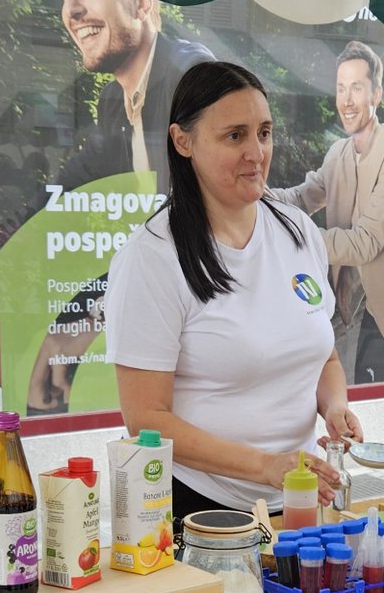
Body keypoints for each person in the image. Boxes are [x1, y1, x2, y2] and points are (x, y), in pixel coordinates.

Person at [105, 61, 364, 517]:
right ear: (183, 141)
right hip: (203, 507)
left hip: (300, 496)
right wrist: (264, 466)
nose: (256, 152)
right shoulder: (153, 257)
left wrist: (336, 406)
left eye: (263, 133)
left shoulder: (299, 232)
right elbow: (146, 420)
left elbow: (326, 356)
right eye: (234, 136)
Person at [25, 0, 214, 415]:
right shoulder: (115, 99)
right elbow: (78, 177)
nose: (71, 9)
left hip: (202, 316)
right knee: (43, 381)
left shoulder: (189, 77)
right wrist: (10, 232)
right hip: (163, 296)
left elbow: (187, 228)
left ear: (143, 0)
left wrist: (88, 322)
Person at [271, 41, 384, 385]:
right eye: (341, 89)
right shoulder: (339, 154)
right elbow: (303, 197)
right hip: (362, 305)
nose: (346, 100)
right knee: (356, 389)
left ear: (376, 94)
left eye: (356, 88)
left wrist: (296, 237)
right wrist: (257, 196)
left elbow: (365, 243)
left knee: (381, 408)